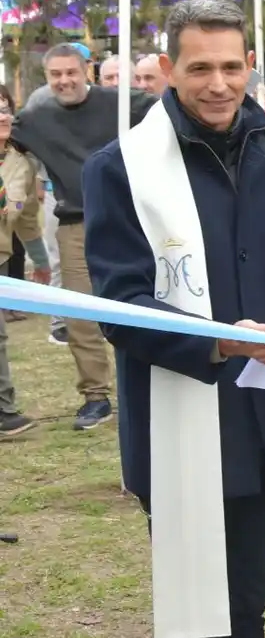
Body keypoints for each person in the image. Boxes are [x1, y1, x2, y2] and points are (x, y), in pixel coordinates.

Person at [81, 0, 265, 638]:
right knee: (188, 619)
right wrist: (216, 339)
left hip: (263, 414)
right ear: (167, 69)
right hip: (181, 415)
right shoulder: (121, 166)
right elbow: (120, 304)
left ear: (251, 64)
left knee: (248, 602)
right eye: (199, 68)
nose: (218, 84)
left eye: (230, 66)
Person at [12, 42, 154, 429]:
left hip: (130, 220)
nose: (64, 80)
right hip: (75, 224)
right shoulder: (35, 119)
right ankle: (96, 397)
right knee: (80, 313)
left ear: (86, 71)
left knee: (142, 304)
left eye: (70, 72)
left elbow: (171, 114)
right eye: (55, 74)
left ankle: (150, 383)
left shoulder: (124, 104)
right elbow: (10, 139)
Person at [0, 85, 50, 437]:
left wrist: (40, 260)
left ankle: (3, 411)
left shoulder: (20, 163)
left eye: (5, 108)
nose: (3, 116)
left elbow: (25, 215)